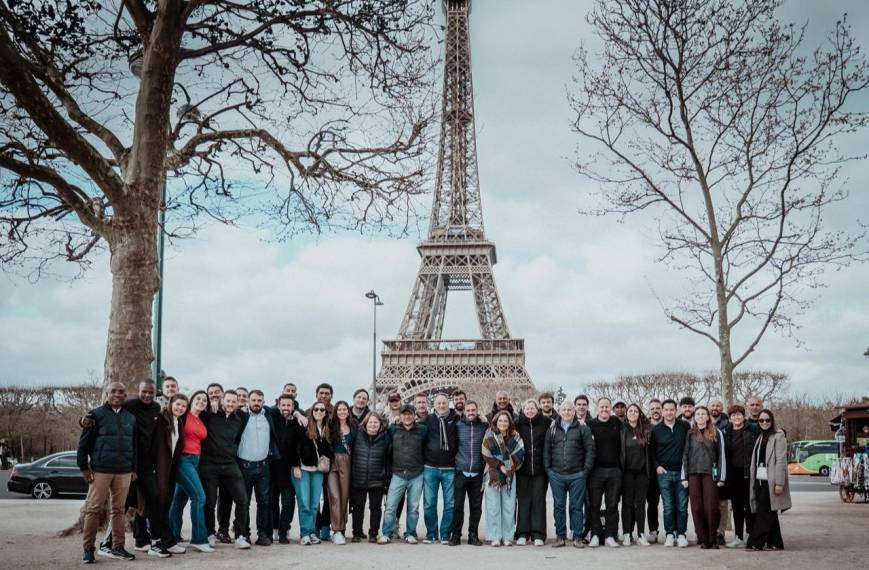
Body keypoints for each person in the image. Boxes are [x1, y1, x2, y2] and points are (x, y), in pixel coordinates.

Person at [85, 380, 161, 554]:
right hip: (119, 466)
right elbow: (99, 416)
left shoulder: (155, 409)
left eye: (151, 392)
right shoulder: (128, 405)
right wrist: (84, 421)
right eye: (144, 391)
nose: (147, 395)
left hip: (141, 465)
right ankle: (105, 543)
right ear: (138, 391)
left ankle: (147, 541)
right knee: (118, 505)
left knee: (151, 500)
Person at [77, 382, 138, 564]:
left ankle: (118, 547)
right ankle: (88, 549)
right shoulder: (94, 415)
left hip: (124, 472)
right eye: (113, 391)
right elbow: (83, 444)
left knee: (119, 510)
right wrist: (84, 467)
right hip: (100, 471)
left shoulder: (131, 417)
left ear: (125, 395)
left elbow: (134, 445)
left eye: (121, 392)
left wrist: (133, 468)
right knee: (93, 509)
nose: (117, 394)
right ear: (107, 393)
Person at [200, 390, 251, 549]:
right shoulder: (211, 414)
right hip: (210, 464)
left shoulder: (239, 419)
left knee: (242, 500)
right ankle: (209, 534)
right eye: (228, 401)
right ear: (222, 400)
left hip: (230, 464)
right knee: (210, 502)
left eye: (233, 402)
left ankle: (240, 536)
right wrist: (211, 404)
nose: (230, 404)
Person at [544, 401, 595, 549]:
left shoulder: (583, 428)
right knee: (559, 506)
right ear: (559, 412)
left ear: (574, 412)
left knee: (576, 507)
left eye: (569, 410)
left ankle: (577, 537)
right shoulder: (552, 429)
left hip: (577, 475)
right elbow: (546, 450)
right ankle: (561, 537)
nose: (566, 412)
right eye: (564, 410)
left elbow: (590, 450)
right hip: (556, 475)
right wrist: (549, 470)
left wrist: (585, 471)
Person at [168, 391, 214, 553]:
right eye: (198, 398)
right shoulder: (183, 416)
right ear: (192, 400)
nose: (201, 401)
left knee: (178, 501)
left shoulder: (200, 420)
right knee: (199, 497)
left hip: (195, 461)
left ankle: (172, 537)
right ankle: (199, 539)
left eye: (204, 400)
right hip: (183, 460)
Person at [380, 404, 429, 544]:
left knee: (413, 508)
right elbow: (385, 445)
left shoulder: (422, 429)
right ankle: (387, 533)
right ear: (400, 416)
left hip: (417, 473)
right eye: (404, 414)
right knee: (390, 506)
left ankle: (410, 533)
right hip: (398, 473)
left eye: (410, 414)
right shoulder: (393, 429)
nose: (407, 416)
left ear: (414, 415)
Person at [237, 389, 279, 546]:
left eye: (259, 400)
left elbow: (287, 408)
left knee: (264, 502)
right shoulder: (241, 415)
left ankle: (262, 534)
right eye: (253, 400)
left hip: (263, 466)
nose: (256, 403)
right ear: (248, 401)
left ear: (263, 402)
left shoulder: (268, 414)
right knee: (244, 502)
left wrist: (297, 414)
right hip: (244, 466)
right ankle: (244, 534)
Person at [148, 394, 188, 557]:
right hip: (157, 469)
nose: (180, 408)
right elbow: (152, 443)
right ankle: (157, 543)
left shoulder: (178, 422)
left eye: (183, 406)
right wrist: (151, 467)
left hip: (170, 469)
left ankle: (163, 541)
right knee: (158, 505)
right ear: (171, 403)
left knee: (164, 504)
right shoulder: (161, 419)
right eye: (178, 404)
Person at [681, 406, 727, 549]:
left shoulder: (716, 432)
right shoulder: (690, 433)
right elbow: (685, 455)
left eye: (703, 414)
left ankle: (713, 538)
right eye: (698, 414)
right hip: (693, 474)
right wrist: (684, 477)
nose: (700, 416)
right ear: (694, 417)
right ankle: (703, 539)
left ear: (707, 417)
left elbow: (721, 455)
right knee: (696, 508)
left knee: (711, 507)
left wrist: (722, 477)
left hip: (710, 474)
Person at [289, 403, 333, 546]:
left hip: (318, 471)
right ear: (312, 411)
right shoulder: (303, 425)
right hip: (302, 469)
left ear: (325, 413)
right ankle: (305, 534)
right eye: (316, 409)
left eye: (322, 410)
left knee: (314, 504)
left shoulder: (327, 429)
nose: (319, 411)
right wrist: (295, 466)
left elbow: (328, 449)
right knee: (304, 503)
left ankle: (312, 531)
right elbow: (292, 445)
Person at [747, 409, 790, 551]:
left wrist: (779, 483)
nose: (764, 422)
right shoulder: (760, 436)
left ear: (772, 421)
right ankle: (775, 542)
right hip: (760, 479)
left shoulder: (779, 436)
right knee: (769, 510)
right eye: (761, 420)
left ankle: (756, 542)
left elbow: (781, 461)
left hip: (771, 480)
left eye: (767, 420)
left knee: (764, 511)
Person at [650, 398, 690, 548]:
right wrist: (657, 466)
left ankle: (681, 534)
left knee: (682, 506)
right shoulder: (656, 429)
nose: (669, 412)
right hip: (664, 473)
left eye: (671, 410)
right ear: (662, 411)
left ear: (676, 410)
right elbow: (652, 451)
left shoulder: (684, 426)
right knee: (668, 506)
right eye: (666, 410)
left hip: (681, 473)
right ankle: (669, 534)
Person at [482, 411, 525, 547]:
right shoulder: (489, 435)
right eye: (500, 421)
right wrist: (500, 465)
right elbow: (485, 453)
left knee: (509, 506)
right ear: (496, 422)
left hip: (510, 474)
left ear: (509, 423)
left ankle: (507, 537)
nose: (503, 423)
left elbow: (520, 453)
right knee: (493, 506)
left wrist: (508, 468)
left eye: (505, 421)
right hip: (492, 473)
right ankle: (495, 536)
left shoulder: (515, 436)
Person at [422, 393, 458, 544]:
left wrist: (483, 419)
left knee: (450, 504)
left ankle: (445, 534)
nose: (441, 406)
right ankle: (431, 533)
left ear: (448, 403)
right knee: (429, 503)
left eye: (444, 403)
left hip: (450, 468)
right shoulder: (427, 420)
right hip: (430, 467)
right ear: (434, 405)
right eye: (438, 403)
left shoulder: (456, 418)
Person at [587, 397, 623, 548]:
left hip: (615, 470)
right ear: (597, 408)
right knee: (594, 504)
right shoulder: (590, 424)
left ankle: (610, 535)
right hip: (596, 471)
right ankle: (595, 534)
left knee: (612, 505)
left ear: (611, 408)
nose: (604, 409)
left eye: (607, 407)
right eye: (601, 407)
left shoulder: (617, 423)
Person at [351, 412, 391, 543]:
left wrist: (386, 479)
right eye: (370, 422)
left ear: (380, 424)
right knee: (358, 507)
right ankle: (357, 533)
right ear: (365, 423)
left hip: (377, 479)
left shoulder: (385, 437)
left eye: (376, 422)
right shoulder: (357, 435)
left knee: (375, 508)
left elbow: (388, 459)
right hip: (359, 477)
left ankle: (373, 533)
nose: (373, 425)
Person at [450, 400, 485, 546]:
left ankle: (473, 535)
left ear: (477, 411)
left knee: (476, 507)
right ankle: (456, 535)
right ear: (464, 411)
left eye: (473, 410)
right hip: (461, 471)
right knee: (458, 506)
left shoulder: (484, 426)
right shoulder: (458, 426)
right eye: (468, 410)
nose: (471, 412)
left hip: (478, 472)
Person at [515, 399, 550, 546]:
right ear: (523, 410)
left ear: (537, 409)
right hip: (522, 469)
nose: (530, 410)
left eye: (532, 408)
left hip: (540, 470)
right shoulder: (517, 423)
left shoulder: (546, 422)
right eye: (527, 408)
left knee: (538, 502)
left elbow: (560, 421)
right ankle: (522, 533)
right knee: (523, 501)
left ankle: (538, 534)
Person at [723, 404, 758, 549]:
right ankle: (738, 537)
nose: (736, 417)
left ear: (743, 416)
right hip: (733, 474)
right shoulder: (726, 431)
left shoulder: (753, 429)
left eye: (739, 414)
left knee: (749, 506)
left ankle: (750, 534)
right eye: (733, 415)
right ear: (730, 418)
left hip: (748, 472)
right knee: (736, 507)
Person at [621, 404, 651, 546]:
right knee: (627, 504)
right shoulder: (622, 429)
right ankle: (627, 534)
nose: (633, 413)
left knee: (640, 504)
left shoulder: (645, 429)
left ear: (639, 414)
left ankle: (641, 534)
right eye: (630, 411)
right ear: (626, 413)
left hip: (642, 473)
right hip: (626, 473)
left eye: (635, 411)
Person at [270, 394, 298, 544]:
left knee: (288, 501)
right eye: (283, 405)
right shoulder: (272, 418)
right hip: (273, 466)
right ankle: (275, 528)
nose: (286, 408)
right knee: (273, 500)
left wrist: (296, 465)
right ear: (278, 406)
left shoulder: (297, 423)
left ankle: (284, 530)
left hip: (288, 467)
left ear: (293, 407)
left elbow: (298, 445)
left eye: (289, 405)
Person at [328, 401, 356, 545]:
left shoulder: (353, 426)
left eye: (344, 409)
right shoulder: (330, 426)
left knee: (344, 497)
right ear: (336, 411)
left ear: (348, 411)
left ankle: (342, 529)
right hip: (332, 462)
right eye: (339, 409)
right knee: (335, 496)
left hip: (347, 462)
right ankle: (336, 531)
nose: (342, 412)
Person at [646, 398, 663, 543]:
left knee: (672, 504)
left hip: (668, 469)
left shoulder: (669, 424)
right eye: (652, 409)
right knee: (652, 503)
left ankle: (674, 531)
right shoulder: (645, 426)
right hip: (650, 471)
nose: (655, 411)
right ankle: (653, 530)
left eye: (658, 408)